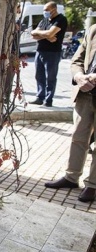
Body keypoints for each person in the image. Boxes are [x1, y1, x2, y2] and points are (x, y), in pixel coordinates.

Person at [44, 25, 96, 202]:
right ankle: (71, 177)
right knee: (78, 136)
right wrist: (79, 76)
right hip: (85, 93)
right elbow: (77, 60)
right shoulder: (93, 30)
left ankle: (92, 185)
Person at [30, 1, 67, 107]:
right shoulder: (44, 20)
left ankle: (48, 100)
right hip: (40, 50)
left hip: (52, 52)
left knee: (50, 77)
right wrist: (47, 36)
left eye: (47, 10)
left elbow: (50, 33)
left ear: (54, 9)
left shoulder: (61, 20)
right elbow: (33, 34)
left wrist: (44, 34)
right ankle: (40, 97)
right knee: (39, 75)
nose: (45, 12)